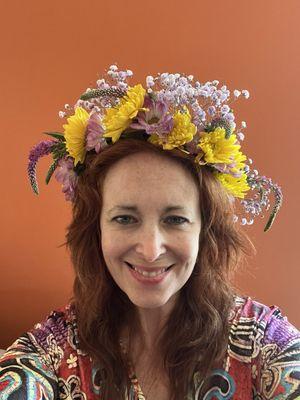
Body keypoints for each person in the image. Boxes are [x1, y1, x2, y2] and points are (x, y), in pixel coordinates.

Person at [0, 65, 299, 400]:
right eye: (125, 219)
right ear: (95, 229)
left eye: (175, 220)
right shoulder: (55, 353)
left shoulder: (265, 345)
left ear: (205, 231)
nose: (151, 249)